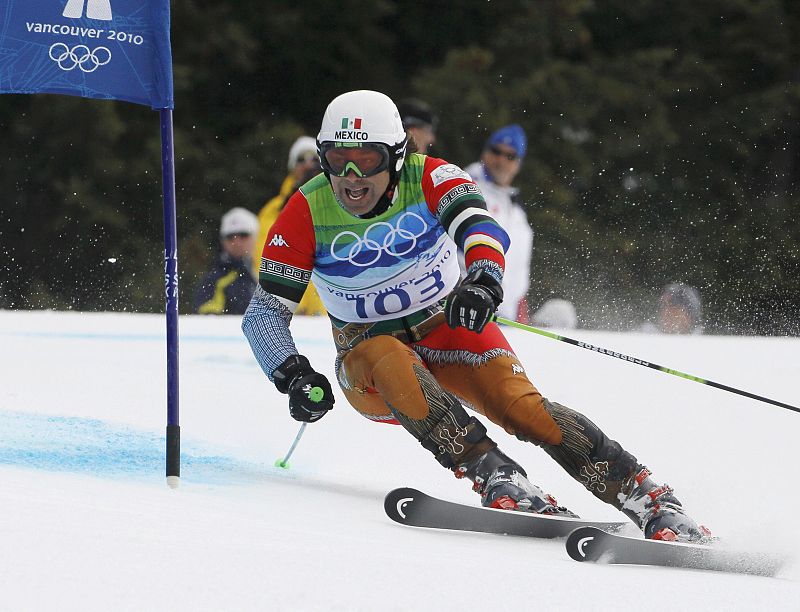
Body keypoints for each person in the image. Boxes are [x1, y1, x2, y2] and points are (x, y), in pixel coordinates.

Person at [242, 90, 709, 542]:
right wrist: (293, 375)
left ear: (398, 155)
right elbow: (263, 315)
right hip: (371, 369)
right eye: (336, 157)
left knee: (526, 410)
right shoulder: (306, 208)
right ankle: (496, 475)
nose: (350, 175)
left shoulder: (431, 177)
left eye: (368, 159)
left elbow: (480, 227)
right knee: (384, 350)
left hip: (448, 331)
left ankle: (648, 499)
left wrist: (484, 278)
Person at [464, 125, 533, 323]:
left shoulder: (516, 207)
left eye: (510, 156)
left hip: (505, 317)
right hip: (471, 308)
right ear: (485, 152)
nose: (501, 160)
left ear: (518, 164)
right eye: (496, 151)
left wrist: (519, 305)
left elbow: (518, 265)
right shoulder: (467, 189)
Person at [254, 135, 326, 315]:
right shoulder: (274, 210)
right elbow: (263, 258)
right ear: (292, 167)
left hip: (328, 316)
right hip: (292, 313)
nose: (308, 165)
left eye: (315, 160)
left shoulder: (341, 203)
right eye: (301, 160)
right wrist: (289, 302)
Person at [194, 207, 259, 315]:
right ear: (222, 241)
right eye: (230, 237)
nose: (236, 241)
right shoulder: (214, 279)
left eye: (243, 235)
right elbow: (206, 318)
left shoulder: (270, 270)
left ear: (255, 237)